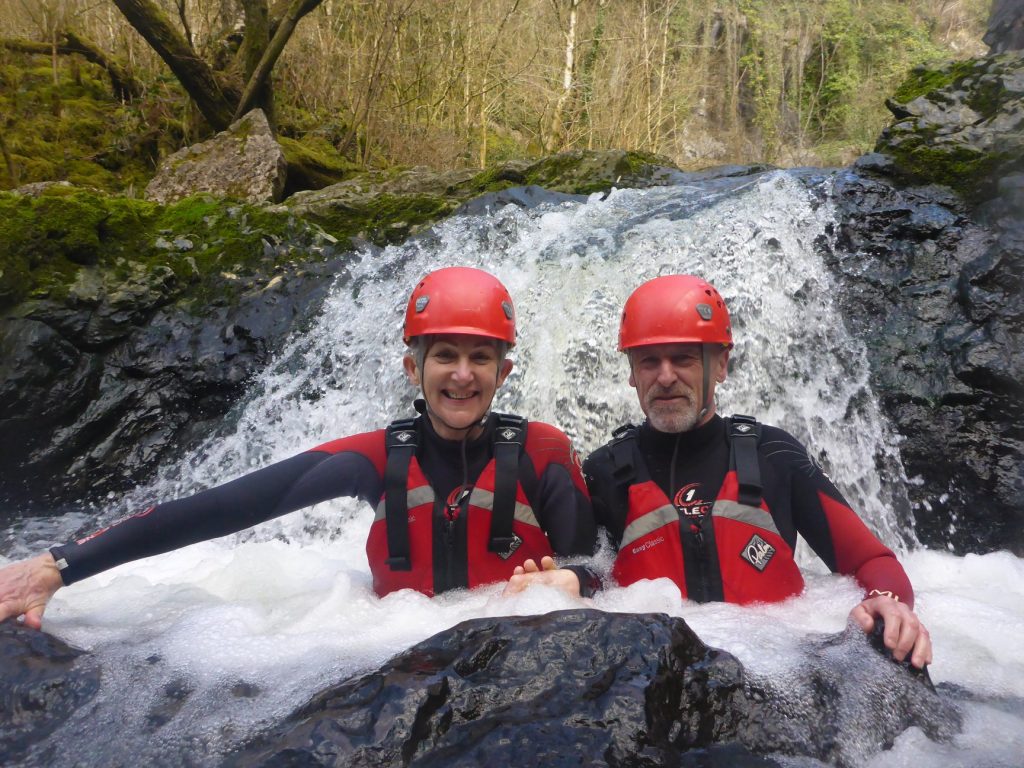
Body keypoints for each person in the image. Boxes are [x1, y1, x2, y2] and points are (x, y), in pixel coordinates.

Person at [0, 267, 597, 629]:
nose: (462, 374)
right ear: (413, 368)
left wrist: (574, 585)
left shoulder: (543, 450)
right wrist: (59, 565)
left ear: (504, 371)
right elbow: (226, 507)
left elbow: (598, 571)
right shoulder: (375, 457)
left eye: (480, 358)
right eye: (445, 355)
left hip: (517, 662)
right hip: (394, 657)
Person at [513, 274, 931, 668]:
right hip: (656, 681)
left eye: (683, 359)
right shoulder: (604, 470)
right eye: (649, 361)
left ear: (721, 365)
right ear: (631, 372)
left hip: (781, 666)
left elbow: (870, 558)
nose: (665, 377)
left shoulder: (773, 453)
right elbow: (594, 572)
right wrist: (566, 583)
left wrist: (888, 601)